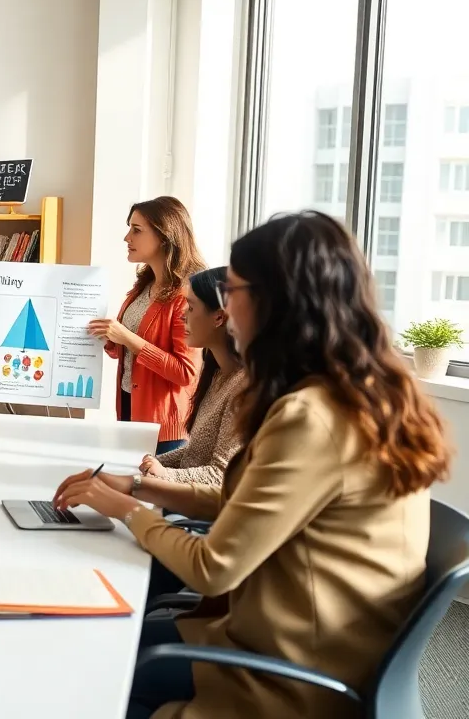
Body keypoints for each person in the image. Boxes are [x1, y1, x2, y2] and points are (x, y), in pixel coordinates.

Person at [53, 210, 450, 719]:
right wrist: (138, 488)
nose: (224, 303)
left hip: (290, 672)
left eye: (234, 289)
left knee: (90, 656)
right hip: (305, 640)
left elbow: (212, 567)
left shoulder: (311, 416)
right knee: (101, 634)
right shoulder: (359, 392)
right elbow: (250, 503)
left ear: (273, 303)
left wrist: (127, 509)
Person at [89, 196, 206, 454]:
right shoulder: (143, 286)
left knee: (151, 492)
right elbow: (126, 349)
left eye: (136, 230)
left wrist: (127, 338)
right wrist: (108, 337)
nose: (126, 237)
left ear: (164, 237)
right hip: (129, 410)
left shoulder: (185, 297)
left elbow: (185, 372)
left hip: (164, 429)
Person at [137, 266, 245, 487]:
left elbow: (221, 475)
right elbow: (196, 452)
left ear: (219, 317)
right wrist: (155, 463)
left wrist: (165, 474)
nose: (183, 314)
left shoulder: (243, 386)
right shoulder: (216, 374)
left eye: (192, 307)